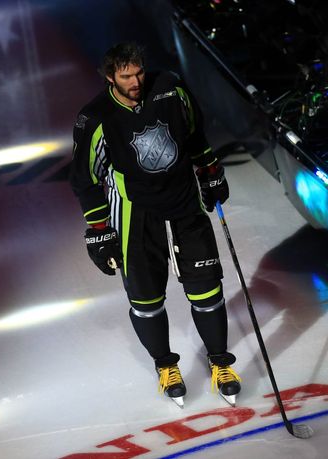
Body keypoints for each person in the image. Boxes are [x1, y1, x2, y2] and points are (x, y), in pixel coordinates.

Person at [69, 42, 241, 407]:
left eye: (139, 72)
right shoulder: (96, 117)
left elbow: (194, 135)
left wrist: (209, 170)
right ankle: (166, 366)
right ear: (110, 77)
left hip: (183, 200)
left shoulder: (171, 89)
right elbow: (86, 178)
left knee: (207, 288)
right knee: (146, 299)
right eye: (126, 76)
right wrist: (99, 230)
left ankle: (220, 363)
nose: (135, 81)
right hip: (134, 213)